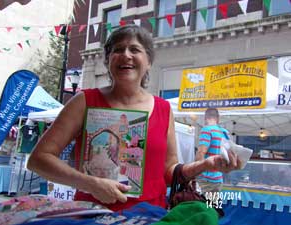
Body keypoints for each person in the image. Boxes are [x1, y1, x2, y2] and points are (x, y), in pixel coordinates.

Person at [27, 25, 240, 212]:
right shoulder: (84, 101)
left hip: (149, 216)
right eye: (117, 50)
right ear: (108, 60)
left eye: (135, 49)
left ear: (148, 62)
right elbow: (38, 159)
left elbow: (169, 172)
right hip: (92, 215)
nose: (126, 55)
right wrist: (90, 184)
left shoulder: (163, 108)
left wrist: (205, 165)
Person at [195, 108, 230, 195]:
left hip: (205, 179)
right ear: (218, 119)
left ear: (205, 117)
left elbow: (201, 153)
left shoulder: (207, 130)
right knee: (212, 207)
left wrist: (195, 173)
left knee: (201, 206)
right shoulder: (224, 133)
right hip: (218, 179)